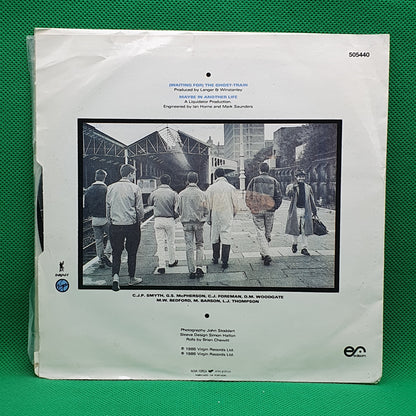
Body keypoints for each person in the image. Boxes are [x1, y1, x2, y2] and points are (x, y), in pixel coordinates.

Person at [106, 164, 144, 291]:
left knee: (116, 252)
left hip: (115, 225)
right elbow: (139, 209)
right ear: (130, 174)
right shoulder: (135, 188)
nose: (133, 176)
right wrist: (139, 220)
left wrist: (110, 220)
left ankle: (115, 278)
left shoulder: (110, 187)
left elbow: (108, 206)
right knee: (132, 252)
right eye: (133, 174)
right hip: (131, 225)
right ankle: (132, 278)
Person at [245, 162, 282, 265]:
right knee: (267, 232)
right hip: (270, 210)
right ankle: (265, 252)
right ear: (268, 170)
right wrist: (275, 207)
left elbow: (248, 196)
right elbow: (279, 196)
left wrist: (251, 207)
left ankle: (265, 254)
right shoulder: (274, 181)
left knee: (260, 231)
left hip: (257, 210)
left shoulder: (254, 180)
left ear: (259, 170)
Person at [176, 172, 208, 279]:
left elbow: (177, 209)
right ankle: (199, 267)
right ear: (197, 180)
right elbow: (206, 209)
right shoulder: (202, 194)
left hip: (187, 224)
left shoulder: (181, 194)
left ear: (187, 180)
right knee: (200, 244)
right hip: (199, 223)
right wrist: (203, 216)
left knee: (189, 246)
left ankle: (191, 271)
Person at [205, 168, 238, 269]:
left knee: (215, 236)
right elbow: (235, 205)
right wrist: (233, 214)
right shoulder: (231, 188)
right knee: (226, 235)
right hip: (227, 214)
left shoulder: (211, 188)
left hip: (215, 215)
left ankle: (215, 258)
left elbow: (208, 205)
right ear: (224, 175)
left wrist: (208, 218)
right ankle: (225, 260)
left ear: (215, 176)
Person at [148, 174, 178, 274]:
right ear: (169, 182)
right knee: (171, 242)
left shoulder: (154, 192)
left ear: (160, 181)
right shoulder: (173, 194)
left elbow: (149, 203)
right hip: (169, 220)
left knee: (160, 243)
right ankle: (172, 261)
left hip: (158, 220)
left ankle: (161, 265)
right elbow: (177, 208)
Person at [84, 169, 112, 268]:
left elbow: (86, 205)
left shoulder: (89, 190)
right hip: (105, 219)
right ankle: (106, 255)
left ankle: (100, 261)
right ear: (104, 178)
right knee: (112, 237)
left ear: (95, 177)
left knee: (98, 240)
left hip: (94, 219)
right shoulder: (107, 189)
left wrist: (88, 215)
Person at [285, 169, 317, 256]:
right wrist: (293, 187)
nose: (301, 178)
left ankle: (304, 248)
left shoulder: (308, 187)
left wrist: (314, 210)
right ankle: (294, 243)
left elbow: (311, 199)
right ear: (296, 177)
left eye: (302, 177)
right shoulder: (292, 186)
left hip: (306, 210)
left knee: (304, 229)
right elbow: (288, 194)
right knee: (295, 228)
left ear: (304, 177)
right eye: (299, 177)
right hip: (295, 210)